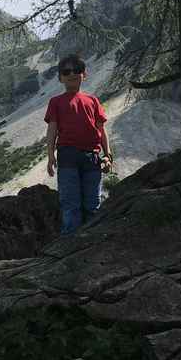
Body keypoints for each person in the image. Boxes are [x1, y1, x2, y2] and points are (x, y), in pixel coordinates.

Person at [44, 54, 112, 234]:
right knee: (70, 205)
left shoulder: (93, 100)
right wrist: (51, 156)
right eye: (66, 71)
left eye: (77, 70)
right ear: (60, 78)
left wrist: (108, 155)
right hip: (67, 156)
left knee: (92, 205)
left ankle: (91, 247)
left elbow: (101, 129)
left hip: (92, 157)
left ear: (84, 74)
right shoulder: (56, 102)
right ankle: (69, 248)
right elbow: (52, 129)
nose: (72, 74)